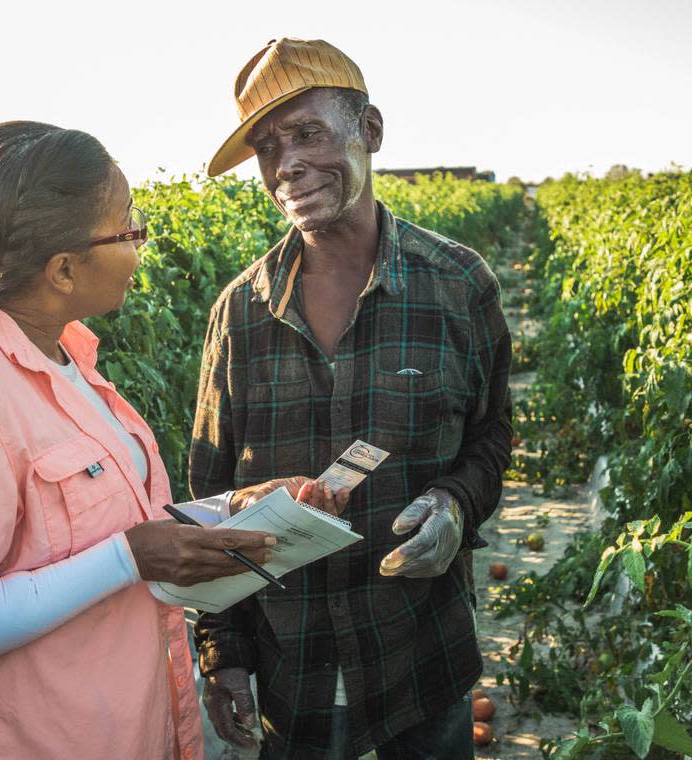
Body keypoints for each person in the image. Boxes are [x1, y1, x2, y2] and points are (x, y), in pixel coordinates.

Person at [0, 121, 344, 760]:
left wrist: (238, 508)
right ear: (64, 269)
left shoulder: (62, 357)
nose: (142, 242)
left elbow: (116, 530)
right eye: (128, 227)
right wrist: (127, 559)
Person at [190, 38, 513, 759]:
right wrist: (224, 652)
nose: (287, 165)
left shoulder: (459, 286)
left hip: (418, 663)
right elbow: (210, 496)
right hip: (290, 675)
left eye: (308, 132)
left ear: (370, 131)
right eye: (268, 148)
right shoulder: (240, 313)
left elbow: (493, 437)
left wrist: (456, 505)